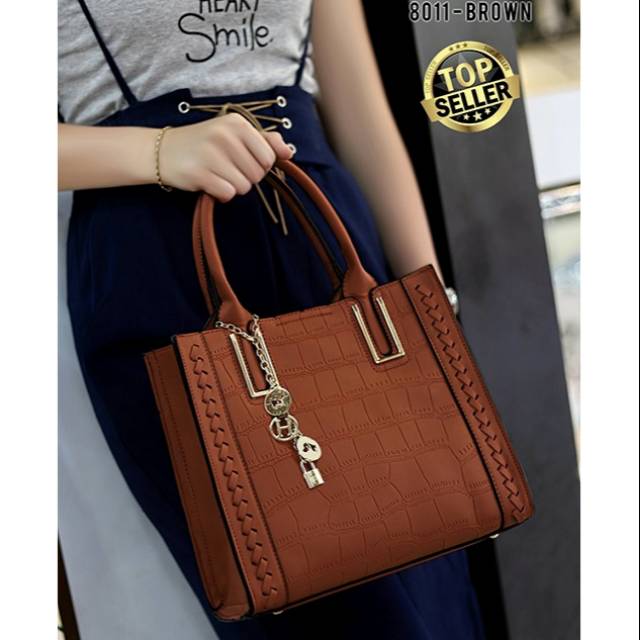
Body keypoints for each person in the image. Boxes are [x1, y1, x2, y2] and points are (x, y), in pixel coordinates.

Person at [58, 1, 485, 638]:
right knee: (284, 579)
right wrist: (157, 149)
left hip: (325, 240)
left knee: (426, 552)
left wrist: (432, 307)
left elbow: (363, 118)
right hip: (162, 268)